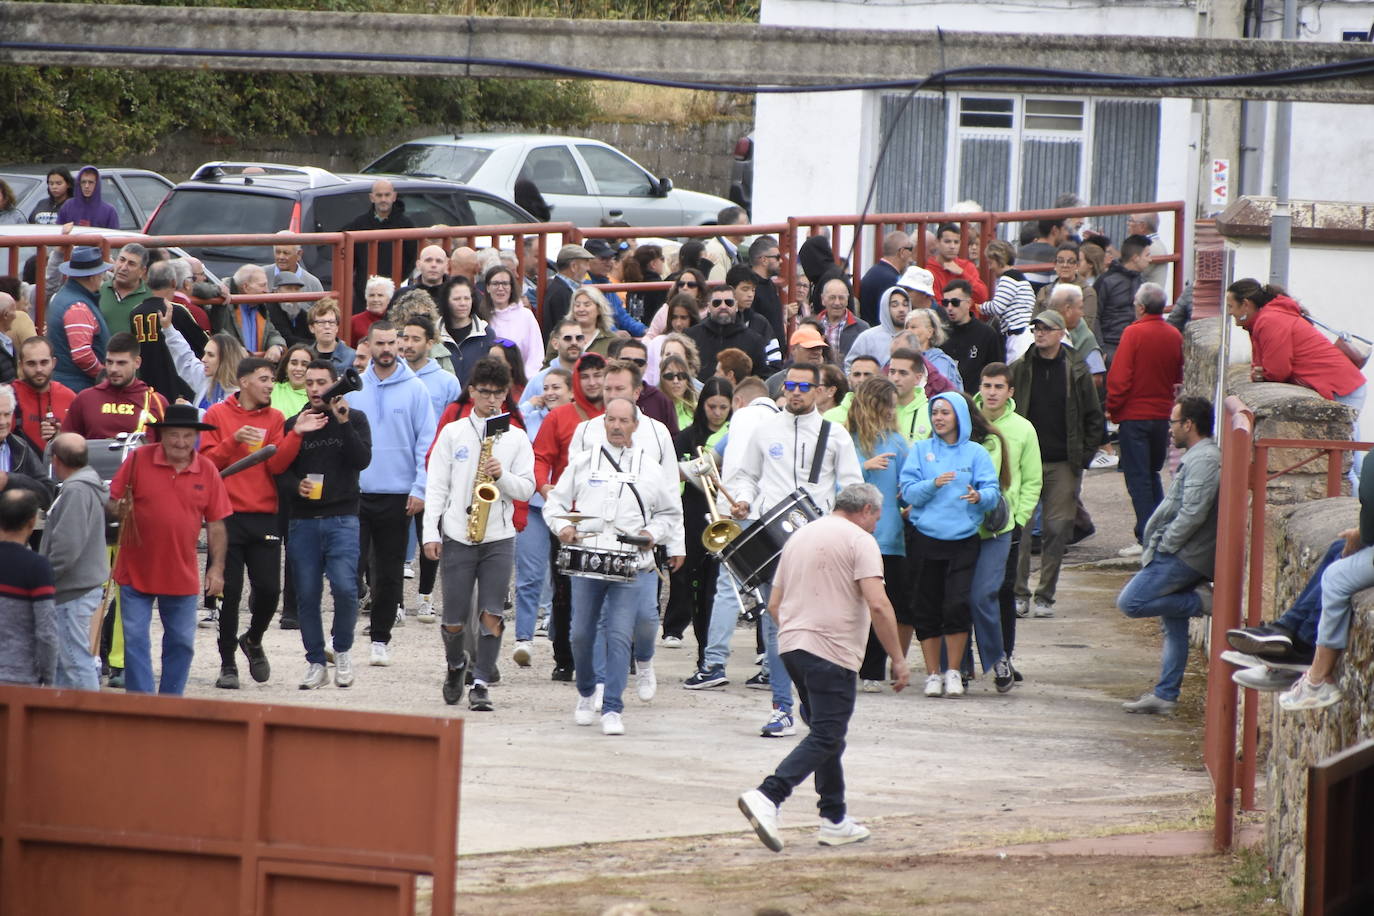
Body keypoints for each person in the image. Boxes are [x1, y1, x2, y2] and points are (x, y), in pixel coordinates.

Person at [737, 482, 910, 852]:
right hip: (831, 651)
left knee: (827, 734)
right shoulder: (860, 541)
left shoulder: (800, 536)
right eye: (877, 517)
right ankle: (769, 795)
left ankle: (833, 818)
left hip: (793, 648)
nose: (877, 525)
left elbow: (774, 605)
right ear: (865, 510)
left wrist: (801, 633)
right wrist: (897, 658)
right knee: (827, 734)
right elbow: (878, 604)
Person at [727, 363, 864, 736]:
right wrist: (741, 500)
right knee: (776, 625)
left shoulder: (835, 436)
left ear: (821, 390)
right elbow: (746, 477)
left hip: (818, 542)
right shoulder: (764, 429)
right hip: (773, 542)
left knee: (816, 627)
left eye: (805, 386)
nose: (796, 392)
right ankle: (781, 708)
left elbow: (852, 488)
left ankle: (810, 699)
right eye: (791, 385)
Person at [544, 397, 684, 735]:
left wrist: (653, 532)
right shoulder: (582, 461)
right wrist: (562, 527)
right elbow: (555, 503)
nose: (617, 426)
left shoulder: (649, 467)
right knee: (580, 634)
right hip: (588, 559)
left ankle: (612, 708)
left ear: (635, 425)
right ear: (603, 423)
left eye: (624, 421)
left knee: (621, 634)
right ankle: (586, 691)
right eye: (611, 420)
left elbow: (669, 513)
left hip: (629, 562)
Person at [424, 357, 535, 710]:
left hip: (498, 537)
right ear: (471, 391)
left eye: (497, 393)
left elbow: (527, 489)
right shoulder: (453, 432)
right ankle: (456, 665)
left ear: (506, 394)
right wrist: (431, 532)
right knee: (454, 619)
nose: (490, 399)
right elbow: (437, 485)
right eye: (484, 392)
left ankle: (482, 681)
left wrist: (501, 476)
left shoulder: (516, 437)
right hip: (459, 533)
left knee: (492, 615)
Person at [200, 357, 315, 688]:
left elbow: (277, 465)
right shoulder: (217, 415)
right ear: (244, 382)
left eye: (271, 380)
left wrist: (295, 435)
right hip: (226, 516)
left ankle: (252, 639)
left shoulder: (276, 417)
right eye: (264, 379)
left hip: (264, 514)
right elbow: (207, 464)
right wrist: (233, 440)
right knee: (230, 594)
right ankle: (227, 666)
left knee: (268, 591)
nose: (269, 385)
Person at [110, 405, 231, 694]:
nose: (180, 442)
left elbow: (217, 525)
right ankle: (142, 702)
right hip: (135, 568)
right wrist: (119, 509)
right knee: (136, 639)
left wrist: (216, 569)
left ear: (196, 437)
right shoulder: (138, 459)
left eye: (187, 435)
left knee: (181, 642)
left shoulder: (208, 469)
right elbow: (113, 502)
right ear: (161, 435)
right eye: (174, 435)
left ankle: (170, 702)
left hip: (180, 571)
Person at [1116, 396, 1220, 715]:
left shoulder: (1204, 460)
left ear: (1189, 424)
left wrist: (1165, 545)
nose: (1170, 429)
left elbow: (1192, 512)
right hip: (1181, 552)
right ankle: (1165, 695)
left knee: (1130, 602)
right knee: (1173, 627)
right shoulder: (1199, 456)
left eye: (1174, 422)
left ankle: (1201, 602)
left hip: (1183, 555)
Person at [900, 392, 1001, 698]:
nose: (939, 418)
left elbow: (993, 492)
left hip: (963, 540)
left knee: (956, 604)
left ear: (959, 416)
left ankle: (954, 671)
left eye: (945, 412)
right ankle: (933, 674)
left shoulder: (976, 453)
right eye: (935, 413)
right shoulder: (920, 450)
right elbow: (908, 493)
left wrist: (979, 497)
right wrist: (933, 484)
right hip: (925, 538)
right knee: (926, 606)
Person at [349, 321, 436, 666]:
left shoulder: (416, 390)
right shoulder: (354, 388)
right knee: (347, 567)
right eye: (379, 343)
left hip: (398, 495)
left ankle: (380, 637)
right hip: (356, 492)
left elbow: (425, 443)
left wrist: (420, 488)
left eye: (391, 343)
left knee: (387, 572)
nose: (386, 349)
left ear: (398, 345)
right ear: (368, 346)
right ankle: (340, 633)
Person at [283, 360, 372, 690]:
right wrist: (297, 487)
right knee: (306, 595)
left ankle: (343, 650)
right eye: (310, 383)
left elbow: (362, 460)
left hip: (343, 517)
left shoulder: (355, 418)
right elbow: (280, 470)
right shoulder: (295, 423)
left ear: (335, 384)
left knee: (347, 589)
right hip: (303, 520)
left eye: (322, 382)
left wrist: (344, 422)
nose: (316, 389)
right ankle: (315, 662)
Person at [1012, 311, 1104, 618]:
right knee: (1021, 531)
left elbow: (1093, 416)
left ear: (1061, 333)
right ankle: (1019, 593)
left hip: (1063, 462)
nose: (1039, 333)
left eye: (1046, 329)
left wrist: (1083, 457)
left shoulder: (1076, 368)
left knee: (1057, 529)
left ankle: (1045, 596)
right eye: (1036, 328)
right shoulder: (1021, 368)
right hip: (1026, 462)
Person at [533, 353, 608, 681]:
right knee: (563, 588)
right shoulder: (559, 417)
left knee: (610, 583)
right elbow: (539, 457)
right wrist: (544, 487)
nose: (592, 382)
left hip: (609, 515)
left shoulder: (619, 416)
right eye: (586, 375)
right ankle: (564, 656)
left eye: (598, 375)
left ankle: (615, 650)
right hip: (568, 518)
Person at [971, 363, 1042, 691]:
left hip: (1006, 523)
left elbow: (1032, 479)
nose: (992, 392)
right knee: (969, 592)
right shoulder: (968, 420)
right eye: (987, 386)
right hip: (968, 522)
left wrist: (1022, 518)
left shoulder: (1023, 428)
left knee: (1002, 590)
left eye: (999, 387)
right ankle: (969, 658)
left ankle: (1004, 656)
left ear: (1010, 392)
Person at [846, 378, 914, 692]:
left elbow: (904, 489)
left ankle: (873, 670)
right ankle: (847, 665)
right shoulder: (847, 440)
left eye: (893, 404)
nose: (891, 410)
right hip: (849, 538)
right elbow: (835, 485)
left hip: (889, 538)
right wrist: (864, 466)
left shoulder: (897, 443)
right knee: (849, 606)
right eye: (886, 403)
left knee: (883, 605)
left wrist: (911, 506)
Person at [1106, 282, 1184, 554]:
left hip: (1135, 416)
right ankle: (1158, 531)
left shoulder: (1133, 333)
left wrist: (1114, 410)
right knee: (1152, 475)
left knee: (1138, 479)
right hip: (1162, 416)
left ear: (1140, 307)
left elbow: (1119, 378)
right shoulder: (1174, 335)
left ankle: (1146, 536)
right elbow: (1177, 375)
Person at [1227, 279, 1367, 413]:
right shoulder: (1264, 319)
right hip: (1341, 384)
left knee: (1344, 436)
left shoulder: (1270, 320)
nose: (1229, 312)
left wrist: (1261, 375)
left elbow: (1277, 371)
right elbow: (1261, 367)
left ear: (1245, 304)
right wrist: (1260, 374)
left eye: (1230, 306)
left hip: (1340, 387)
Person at [37, 434, 107, 690]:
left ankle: (90, 722)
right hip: (77, 589)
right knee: (63, 664)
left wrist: (44, 578)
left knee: (76, 661)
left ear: (55, 460)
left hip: (71, 592)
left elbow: (67, 548)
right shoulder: (85, 485)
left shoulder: (76, 490)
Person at [62, 333, 169, 440]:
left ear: (137, 363)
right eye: (109, 362)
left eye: (121, 363)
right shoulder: (85, 399)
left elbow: (165, 449)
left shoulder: (155, 402)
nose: (113, 369)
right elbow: (66, 445)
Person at [0, 490, 56, 686]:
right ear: (32, 522)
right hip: (19, 682)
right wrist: (48, 678)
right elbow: (46, 631)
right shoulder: (37, 567)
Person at [131, 262, 209, 403]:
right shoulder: (177, 311)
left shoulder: (135, 313)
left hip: (149, 387)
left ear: (148, 283)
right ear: (174, 282)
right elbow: (204, 344)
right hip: (179, 388)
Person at [47, 246, 112, 393]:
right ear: (92, 277)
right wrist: (105, 376)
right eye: (101, 274)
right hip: (78, 387)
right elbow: (82, 355)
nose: (102, 278)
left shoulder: (63, 297)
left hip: (67, 385)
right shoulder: (78, 307)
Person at [345, 179, 416, 306]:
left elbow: (412, 259)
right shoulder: (359, 224)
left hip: (395, 295)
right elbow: (351, 261)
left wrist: (399, 281)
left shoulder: (406, 225)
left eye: (387, 195)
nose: (383, 199)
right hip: (365, 296)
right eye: (379, 195)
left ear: (394, 196)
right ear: (371, 198)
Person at [685, 283, 767, 383]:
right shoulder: (690, 337)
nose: (723, 306)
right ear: (709, 307)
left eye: (729, 302)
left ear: (736, 306)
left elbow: (760, 378)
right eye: (717, 303)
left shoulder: (754, 341)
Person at [10, 337, 76, 454]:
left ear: (54, 363)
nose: (39, 369)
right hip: (18, 469)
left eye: (44, 362)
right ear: (20, 365)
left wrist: (61, 436)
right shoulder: (8, 396)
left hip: (57, 467)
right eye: (31, 364)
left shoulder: (69, 397)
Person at [1094, 234, 1152, 363]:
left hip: (1137, 345)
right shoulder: (1106, 281)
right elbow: (1094, 316)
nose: (1151, 259)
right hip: (1110, 347)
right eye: (1147, 255)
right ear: (1135, 258)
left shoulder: (1142, 281)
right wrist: (1100, 349)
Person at [942, 279, 1005, 393]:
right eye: (945, 303)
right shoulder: (941, 333)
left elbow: (998, 372)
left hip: (975, 402)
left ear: (969, 303)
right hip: (947, 401)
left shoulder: (987, 334)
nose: (950, 307)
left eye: (955, 302)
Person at [980, 240, 1036, 362]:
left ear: (999, 259)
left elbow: (997, 307)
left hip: (1018, 334)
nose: (990, 268)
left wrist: (979, 307)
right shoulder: (1018, 277)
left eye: (991, 263)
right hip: (1023, 332)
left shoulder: (1008, 279)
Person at [485, 264, 543, 377]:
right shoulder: (481, 317)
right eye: (496, 283)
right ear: (487, 287)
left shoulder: (526, 316)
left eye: (505, 283)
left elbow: (536, 355)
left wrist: (524, 382)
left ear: (511, 287)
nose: (500, 288)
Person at [844, 285, 911, 373]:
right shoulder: (868, 337)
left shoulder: (914, 336)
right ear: (885, 308)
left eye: (905, 305)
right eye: (895, 305)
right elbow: (849, 367)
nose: (901, 309)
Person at [857, 231, 912, 326]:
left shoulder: (873, 272)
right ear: (902, 252)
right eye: (910, 249)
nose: (911, 257)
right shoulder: (891, 280)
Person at [927, 223, 989, 303]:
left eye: (956, 242)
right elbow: (937, 305)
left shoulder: (967, 266)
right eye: (947, 242)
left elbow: (982, 297)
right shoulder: (930, 271)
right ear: (937, 242)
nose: (952, 246)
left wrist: (962, 273)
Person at [542, 244, 594, 335]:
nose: (588, 268)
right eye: (586, 263)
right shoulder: (561, 293)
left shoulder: (560, 288)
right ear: (574, 266)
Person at [815, 276, 868, 363]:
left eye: (841, 298)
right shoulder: (813, 326)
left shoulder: (862, 328)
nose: (837, 302)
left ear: (847, 300)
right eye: (832, 297)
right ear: (823, 300)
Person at [391, 244, 449, 309]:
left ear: (446, 266)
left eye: (439, 261)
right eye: (428, 260)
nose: (433, 265)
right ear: (418, 265)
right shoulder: (402, 294)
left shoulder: (455, 294)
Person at [271, 344, 314, 417]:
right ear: (286, 367)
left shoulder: (317, 396)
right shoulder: (270, 388)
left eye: (304, 364)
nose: (298, 369)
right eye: (294, 363)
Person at [352, 276, 394, 344]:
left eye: (380, 295)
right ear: (366, 298)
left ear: (389, 299)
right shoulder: (354, 321)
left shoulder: (396, 320)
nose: (375, 299)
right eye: (371, 295)